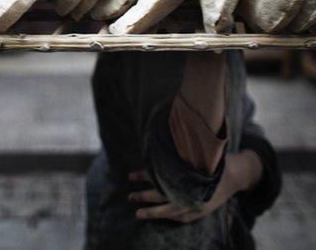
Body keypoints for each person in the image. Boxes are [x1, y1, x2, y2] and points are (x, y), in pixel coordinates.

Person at [85, 50, 281, 249]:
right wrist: (209, 49)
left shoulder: (224, 49)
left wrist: (240, 171)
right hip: (143, 235)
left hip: (222, 235)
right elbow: (189, 188)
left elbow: (243, 122)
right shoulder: (150, 51)